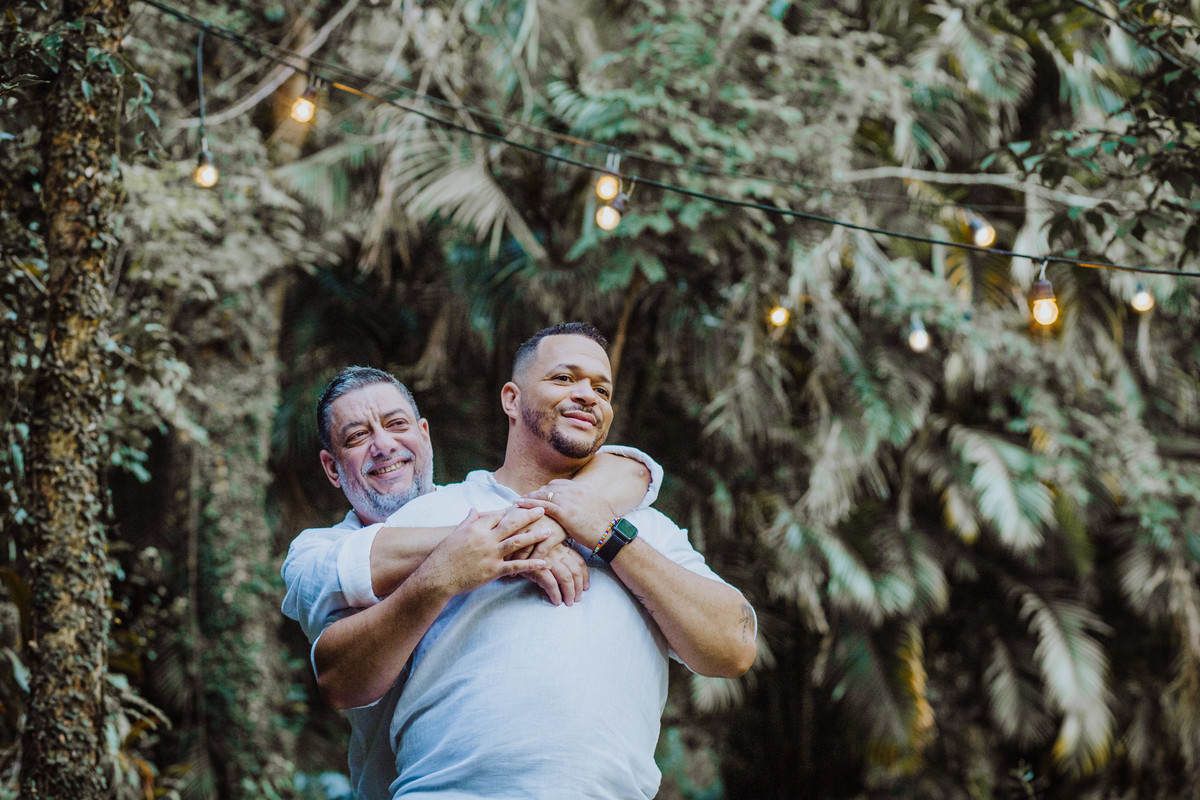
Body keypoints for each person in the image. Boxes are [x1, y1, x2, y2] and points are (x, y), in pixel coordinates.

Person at [310, 323, 757, 799]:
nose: (587, 395)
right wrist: (445, 573)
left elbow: (735, 645)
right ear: (511, 399)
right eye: (564, 379)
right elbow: (337, 678)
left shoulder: (643, 526)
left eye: (601, 388)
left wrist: (609, 538)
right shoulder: (429, 517)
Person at [281, 365, 662, 799]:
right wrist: (512, 538)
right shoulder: (315, 551)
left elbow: (632, 468)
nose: (383, 445)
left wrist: (544, 527)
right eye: (357, 437)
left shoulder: (482, 500)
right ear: (331, 468)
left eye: (396, 424)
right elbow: (340, 661)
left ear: (424, 434)